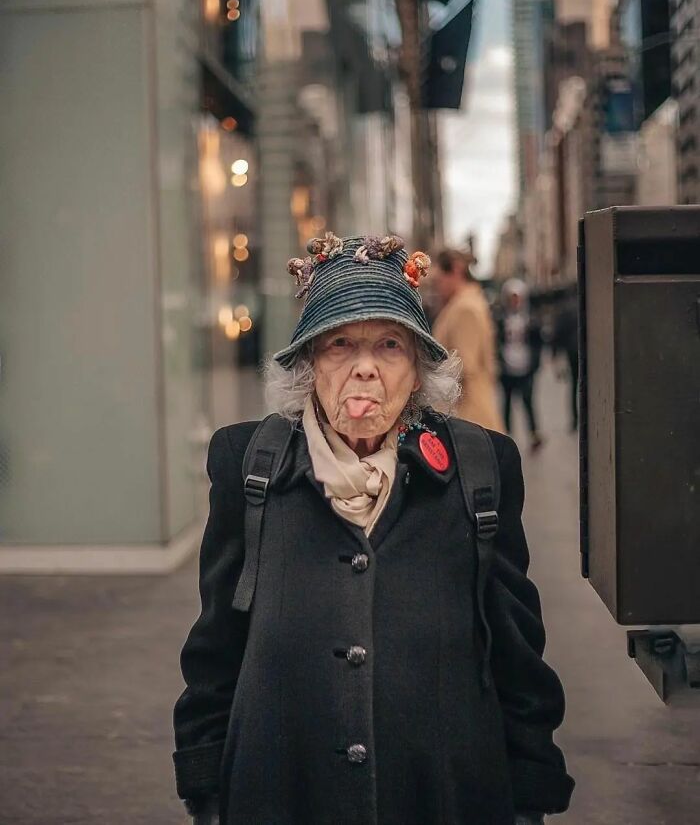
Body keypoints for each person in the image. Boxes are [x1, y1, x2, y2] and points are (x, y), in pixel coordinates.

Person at [172, 232, 574, 825]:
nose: (364, 368)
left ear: (417, 368)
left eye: (389, 344)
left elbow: (517, 649)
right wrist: (205, 788)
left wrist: (530, 792)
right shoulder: (245, 463)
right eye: (339, 345)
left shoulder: (481, 466)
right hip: (282, 789)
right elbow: (215, 647)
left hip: (444, 791)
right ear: (309, 367)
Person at [431, 248, 504, 432]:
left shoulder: (464, 308)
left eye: (439, 280)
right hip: (467, 414)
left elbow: (464, 367)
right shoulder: (466, 303)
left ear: (455, 271)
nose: (437, 288)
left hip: (469, 416)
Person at [497, 278, 545, 451]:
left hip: (525, 366)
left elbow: (538, 343)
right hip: (507, 367)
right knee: (507, 402)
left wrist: (535, 364)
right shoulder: (501, 318)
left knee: (528, 401)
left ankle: (534, 433)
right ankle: (504, 435)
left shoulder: (530, 319)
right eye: (512, 297)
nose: (515, 301)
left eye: (518, 297)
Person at [551, 290, 579, 431]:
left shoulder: (564, 310)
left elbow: (557, 334)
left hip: (572, 352)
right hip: (583, 351)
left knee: (574, 386)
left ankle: (575, 419)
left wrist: (555, 355)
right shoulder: (581, 305)